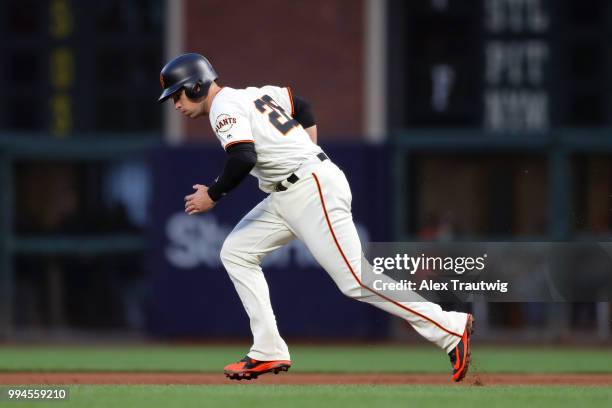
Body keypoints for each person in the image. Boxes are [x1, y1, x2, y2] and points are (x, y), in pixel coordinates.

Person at [158, 53, 474, 382]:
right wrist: (307, 151)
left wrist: (212, 194)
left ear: (196, 86)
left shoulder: (223, 108)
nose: (175, 104)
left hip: (310, 187)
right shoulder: (253, 94)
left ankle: (449, 328)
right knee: (235, 252)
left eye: (177, 94)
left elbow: (242, 157)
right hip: (290, 192)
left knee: (356, 279)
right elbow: (303, 105)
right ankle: (268, 350)